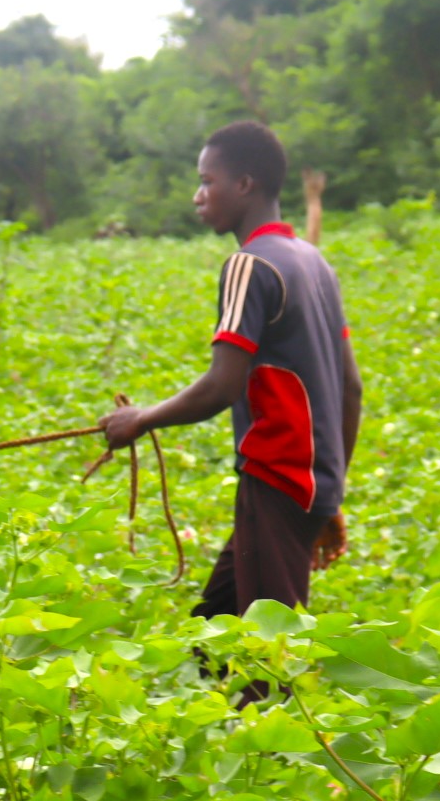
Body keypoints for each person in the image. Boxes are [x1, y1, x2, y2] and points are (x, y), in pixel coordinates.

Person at [100, 121, 362, 616]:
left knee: (269, 648)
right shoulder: (315, 264)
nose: (198, 196)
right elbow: (351, 388)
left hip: (276, 480)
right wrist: (328, 494)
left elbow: (222, 385)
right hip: (304, 486)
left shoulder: (249, 265)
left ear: (244, 184)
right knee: (214, 629)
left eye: (207, 181)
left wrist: (141, 419)